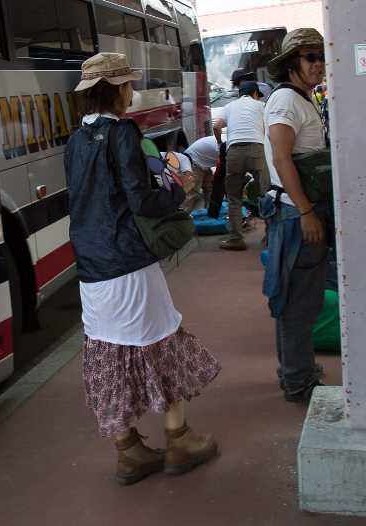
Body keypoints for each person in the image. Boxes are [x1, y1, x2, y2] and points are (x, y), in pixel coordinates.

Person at [64, 52, 219, 486]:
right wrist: (180, 193)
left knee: (108, 353)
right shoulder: (122, 133)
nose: (131, 92)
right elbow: (139, 198)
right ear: (117, 90)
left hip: (91, 269)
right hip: (128, 262)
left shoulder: (75, 141)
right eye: (128, 85)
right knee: (161, 343)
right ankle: (179, 441)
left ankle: (128, 451)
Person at [260, 28, 333, 403]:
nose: (319, 64)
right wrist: (306, 211)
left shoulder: (303, 98)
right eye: (310, 57)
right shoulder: (286, 102)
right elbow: (281, 156)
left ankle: (294, 370)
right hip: (294, 214)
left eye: (321, 56)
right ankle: (298, 379)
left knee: (299, 297)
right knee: (296, 301)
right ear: (292, 64)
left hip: (299, 210)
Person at [213, 80, 266, 250]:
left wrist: (220, 142)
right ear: (255, 94)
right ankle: (271, 237)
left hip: (234, 151)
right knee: (266, 194)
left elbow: (217, 126)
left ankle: (236, 239)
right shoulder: (261, 106)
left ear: (239, 94)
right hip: (257, 149)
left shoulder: (230, 107)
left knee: (234, 197)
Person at [182, 134, 220, 211]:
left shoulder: (231, 141)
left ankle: (210, 212)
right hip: (194, 162)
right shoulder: (228, 146)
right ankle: (182, 217)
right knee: (191, 194)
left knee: (209, 188)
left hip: (203, 162)